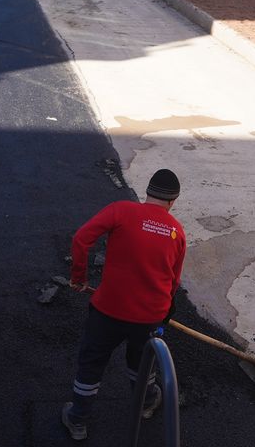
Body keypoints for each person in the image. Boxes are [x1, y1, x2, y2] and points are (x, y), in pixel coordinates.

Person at [61, 169, 188, 441]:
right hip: (149, 315)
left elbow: (81, 238)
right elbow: (174, 281)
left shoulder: (121, 210)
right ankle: (146, 403)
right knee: (142, 360)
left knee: (92, 362)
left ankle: (78, 419)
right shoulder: (176, 231)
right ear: (173, 201)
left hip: (109, 309)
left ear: (147, 192)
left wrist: (79, 277)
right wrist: (163, 309)